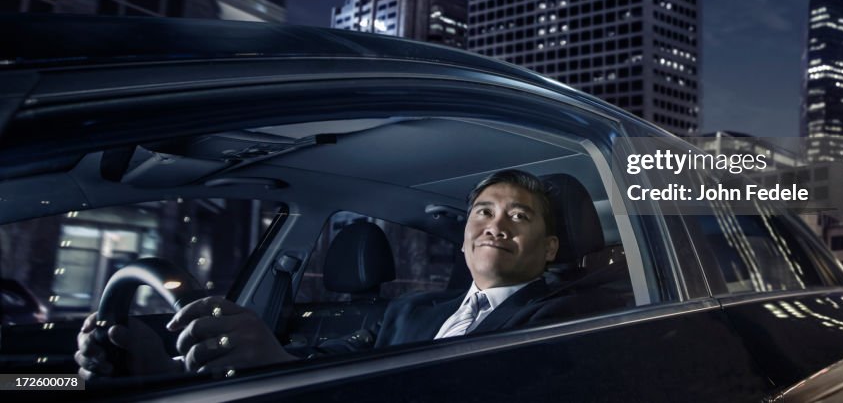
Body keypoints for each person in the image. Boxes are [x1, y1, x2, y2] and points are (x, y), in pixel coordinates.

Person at [76, 170, 582, 378]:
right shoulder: (408, 311)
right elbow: (324, 368)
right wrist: (162, 373)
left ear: (549, 247)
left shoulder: (564, 321)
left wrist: (268, 358)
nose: (494, 225)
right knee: (33, 386)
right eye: (483, 211)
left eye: (519, 216)